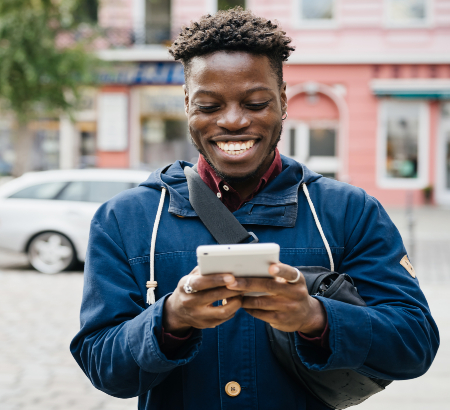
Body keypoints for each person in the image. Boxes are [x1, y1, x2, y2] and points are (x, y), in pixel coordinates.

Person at [70, 7, 439, 410]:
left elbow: (414, 343)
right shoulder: (123, 220)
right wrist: (171, 318)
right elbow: (101, 366)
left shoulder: (351, 211)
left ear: (283, 102)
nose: (232, 121)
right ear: (187, 105)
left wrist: (316, 318)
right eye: (209, 106)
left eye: (256, 102)